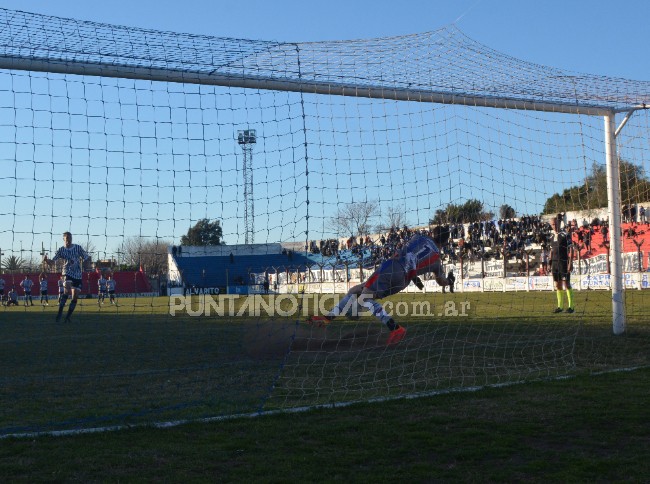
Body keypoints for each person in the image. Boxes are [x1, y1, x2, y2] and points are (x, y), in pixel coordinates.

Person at [308, 234, 449, 345]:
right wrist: (449, 281)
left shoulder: (419, 237)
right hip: (402, 282)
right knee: (355, 291)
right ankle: (327, 319)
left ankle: (395, 328)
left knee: (364, 298)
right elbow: (441, 281)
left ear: (433, 234)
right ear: (446, 242)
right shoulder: (437, 261)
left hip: (392, 267)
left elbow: (406, 250)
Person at [43, 232, 91, 323]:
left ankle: (68, 317)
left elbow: (86, 257)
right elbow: (53, 262)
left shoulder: (78, 248)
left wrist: (86, 263)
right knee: (67, 289)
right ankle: (60, 313)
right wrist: (46, 261)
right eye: (67, 238)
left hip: (77, 274)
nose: (69, 240)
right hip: (67, 272)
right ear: (63, 239)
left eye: (70, 238)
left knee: (75, 297)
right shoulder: (61, 250)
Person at [550, 219, 576, 313]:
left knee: (567, 284)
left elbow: (571, 249)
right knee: (557, 285)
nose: (554, 225)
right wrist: (550, 262)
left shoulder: (565, 235)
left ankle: (571, 307)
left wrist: (570, 263)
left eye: (555, 223)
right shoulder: (552, 236)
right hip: (554, 264)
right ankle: (560, 307)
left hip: (564, 263)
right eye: (552, 224)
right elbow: (551, 251)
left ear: (559, 224)